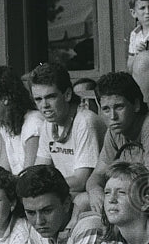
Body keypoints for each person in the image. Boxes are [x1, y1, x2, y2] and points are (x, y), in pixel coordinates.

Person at [86, 72, 149, 217]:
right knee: (82, 201)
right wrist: (95, 190)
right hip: (133, 196)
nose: (113, 116)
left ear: (136, 104)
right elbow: (97, 174)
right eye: (106, 109)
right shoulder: (115, 130)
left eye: (119, 107)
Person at [29, 62, 105, 200]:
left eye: (51, 97)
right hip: (65, 193)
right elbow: (39, 171)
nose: (44, 105)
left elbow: (81, 181)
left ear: (68, 95)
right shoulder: (48, 124)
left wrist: (41, 187)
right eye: (38, 99)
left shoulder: (85, 122)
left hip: (89, 197)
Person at [0, 66, 44, 174]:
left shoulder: (33, 123)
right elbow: (2, 171)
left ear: (5, 98)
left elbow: (29, 178)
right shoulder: (5, 126)